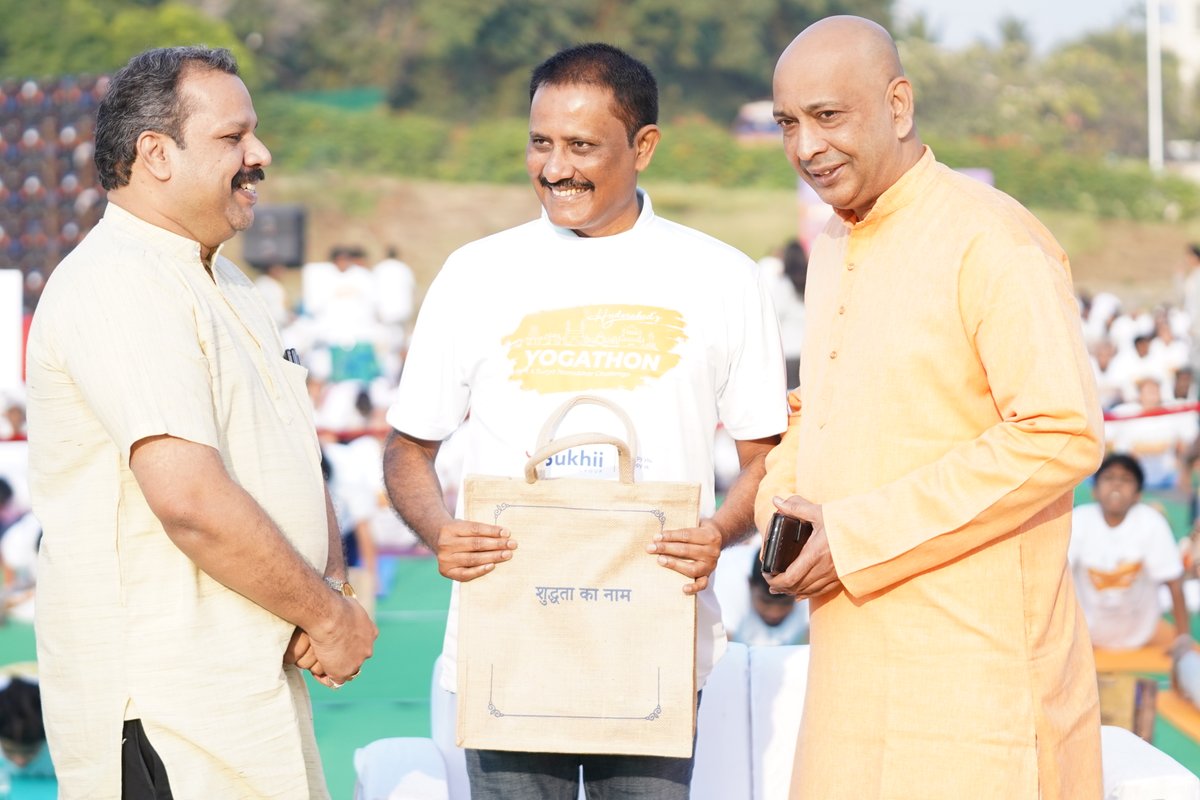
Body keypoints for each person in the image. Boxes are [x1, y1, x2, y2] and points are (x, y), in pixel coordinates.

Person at [383, 42, 786, 799]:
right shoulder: (476, 272)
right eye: (540, 142)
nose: (554, 167)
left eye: (581, 145)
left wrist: (718, 533)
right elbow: (409, 451)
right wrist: (441, 531)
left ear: (644, 147)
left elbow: (768, 456)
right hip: (508, 635)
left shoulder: (723, 277)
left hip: (654, 642)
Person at [756, 16, 1104, 798]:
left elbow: (1061, 432)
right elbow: (822, 405)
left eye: (828, 116)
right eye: (788, 124)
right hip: (850, 677)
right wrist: (782, 511)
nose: (806, 146)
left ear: (899, 105)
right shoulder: (837, 244)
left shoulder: (993, 240)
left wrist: (855, 533)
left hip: (977, 692)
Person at [24, 46, 376, 798]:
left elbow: (281, 452)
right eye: (233, 137)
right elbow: (189, 499)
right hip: (169, 710)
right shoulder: (122, 279)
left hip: (244, 686)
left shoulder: (225, 279)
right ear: (155, 154)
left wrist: (330, 597)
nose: (260, 154)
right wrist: (328, 614)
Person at [1069, 454, 1190, 650]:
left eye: (1126, 479)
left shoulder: (1151, 522)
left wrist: (1183, 639)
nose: (1116, 485)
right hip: (1086, 636)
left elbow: (1174, 582)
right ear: (1095, 491)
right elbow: (1055, 577)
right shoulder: (1078, 520)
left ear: (1137, 494)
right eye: (1109, 478)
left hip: (1139, 635)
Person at [728, 554, 808, 647]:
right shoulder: (730, 588)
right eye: (766, 601)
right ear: (750, 585)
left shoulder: (807, 590)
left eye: (785, 603)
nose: (775, 613)